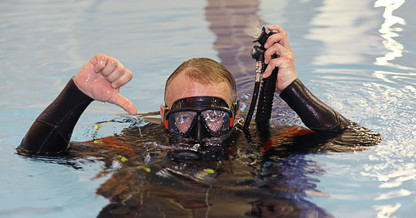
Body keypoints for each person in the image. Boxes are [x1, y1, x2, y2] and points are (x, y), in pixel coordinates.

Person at [18, 25, 365, 156]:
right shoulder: (138, 145)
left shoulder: (259, 140)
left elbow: (356, 139)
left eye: (215, 116)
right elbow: (37, 153)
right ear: (165, 115)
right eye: (184, 118)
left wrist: (290, 88)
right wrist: (78, 93)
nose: (199, 134)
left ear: (236, 115)